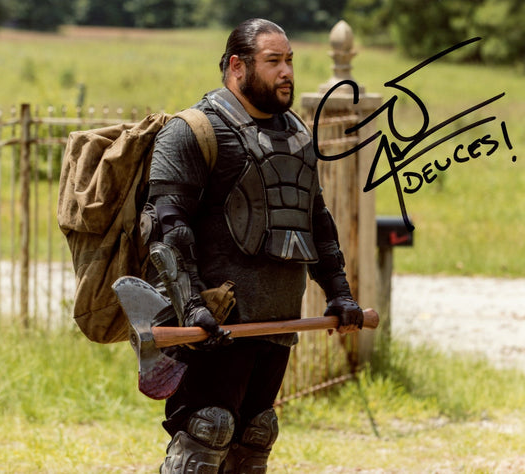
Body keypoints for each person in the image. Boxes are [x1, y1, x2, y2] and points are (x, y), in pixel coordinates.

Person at [141, 18, 364, 473]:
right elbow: (167, 228)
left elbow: (316, 221)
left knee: (255, 435)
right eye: (273, 61)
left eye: (290, 61)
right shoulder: (193, 130)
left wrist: (339, 292)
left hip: (277, 321)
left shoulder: (296, 134)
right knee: (208, 429)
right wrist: (191, 307)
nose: (286, 72)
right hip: (214, 324)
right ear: (237, 66)